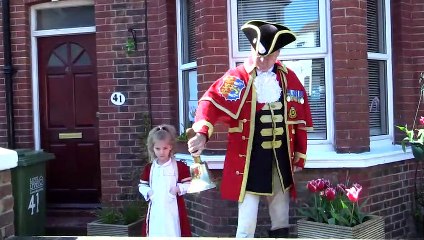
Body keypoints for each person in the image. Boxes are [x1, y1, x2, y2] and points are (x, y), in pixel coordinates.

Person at [187, 20, 313, 238]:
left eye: (269, 56)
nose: (263, 61)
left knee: (281, 215)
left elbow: (298, 121)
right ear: (252, 50)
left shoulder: (288, 78)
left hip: (280, 159)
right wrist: (201, 133)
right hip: (248, 160)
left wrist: (299, 156)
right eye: (259, 54)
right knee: (247, 220)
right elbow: (211, 102)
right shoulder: (238, 78)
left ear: (278, 53)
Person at [139, 124, 192, 237]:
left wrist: (178, 189)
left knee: (173, 231)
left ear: (170, 147)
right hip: (156, 209)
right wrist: (149, 192)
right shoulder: (150, 168)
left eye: (165, 148)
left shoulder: (179, 166)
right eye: (157, 148)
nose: (161, 152)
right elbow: (142, 186)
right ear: (152, 148)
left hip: (173, 209)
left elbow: (189, 184)